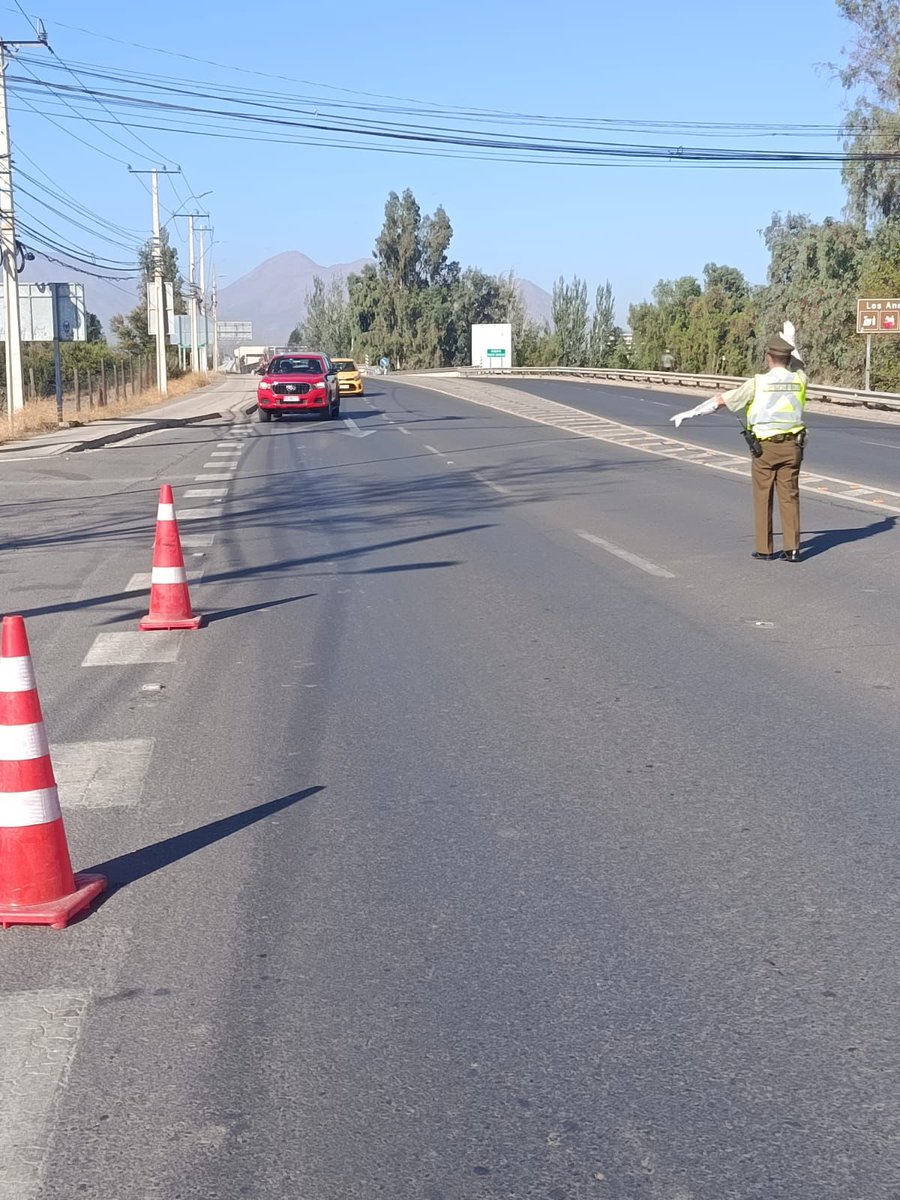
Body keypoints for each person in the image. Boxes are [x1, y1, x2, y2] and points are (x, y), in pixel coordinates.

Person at [670, 332, 807, 562]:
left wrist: (692, 413)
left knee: (763, 496)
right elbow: (800, 366)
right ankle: (792, 549)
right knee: (790, 496)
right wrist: (793, 344)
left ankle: (765, 549)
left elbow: (720, 402)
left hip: (765, 448)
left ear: (768, 357)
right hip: (793, 446)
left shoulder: (757, 383)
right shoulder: (799, 379)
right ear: (788, 358)